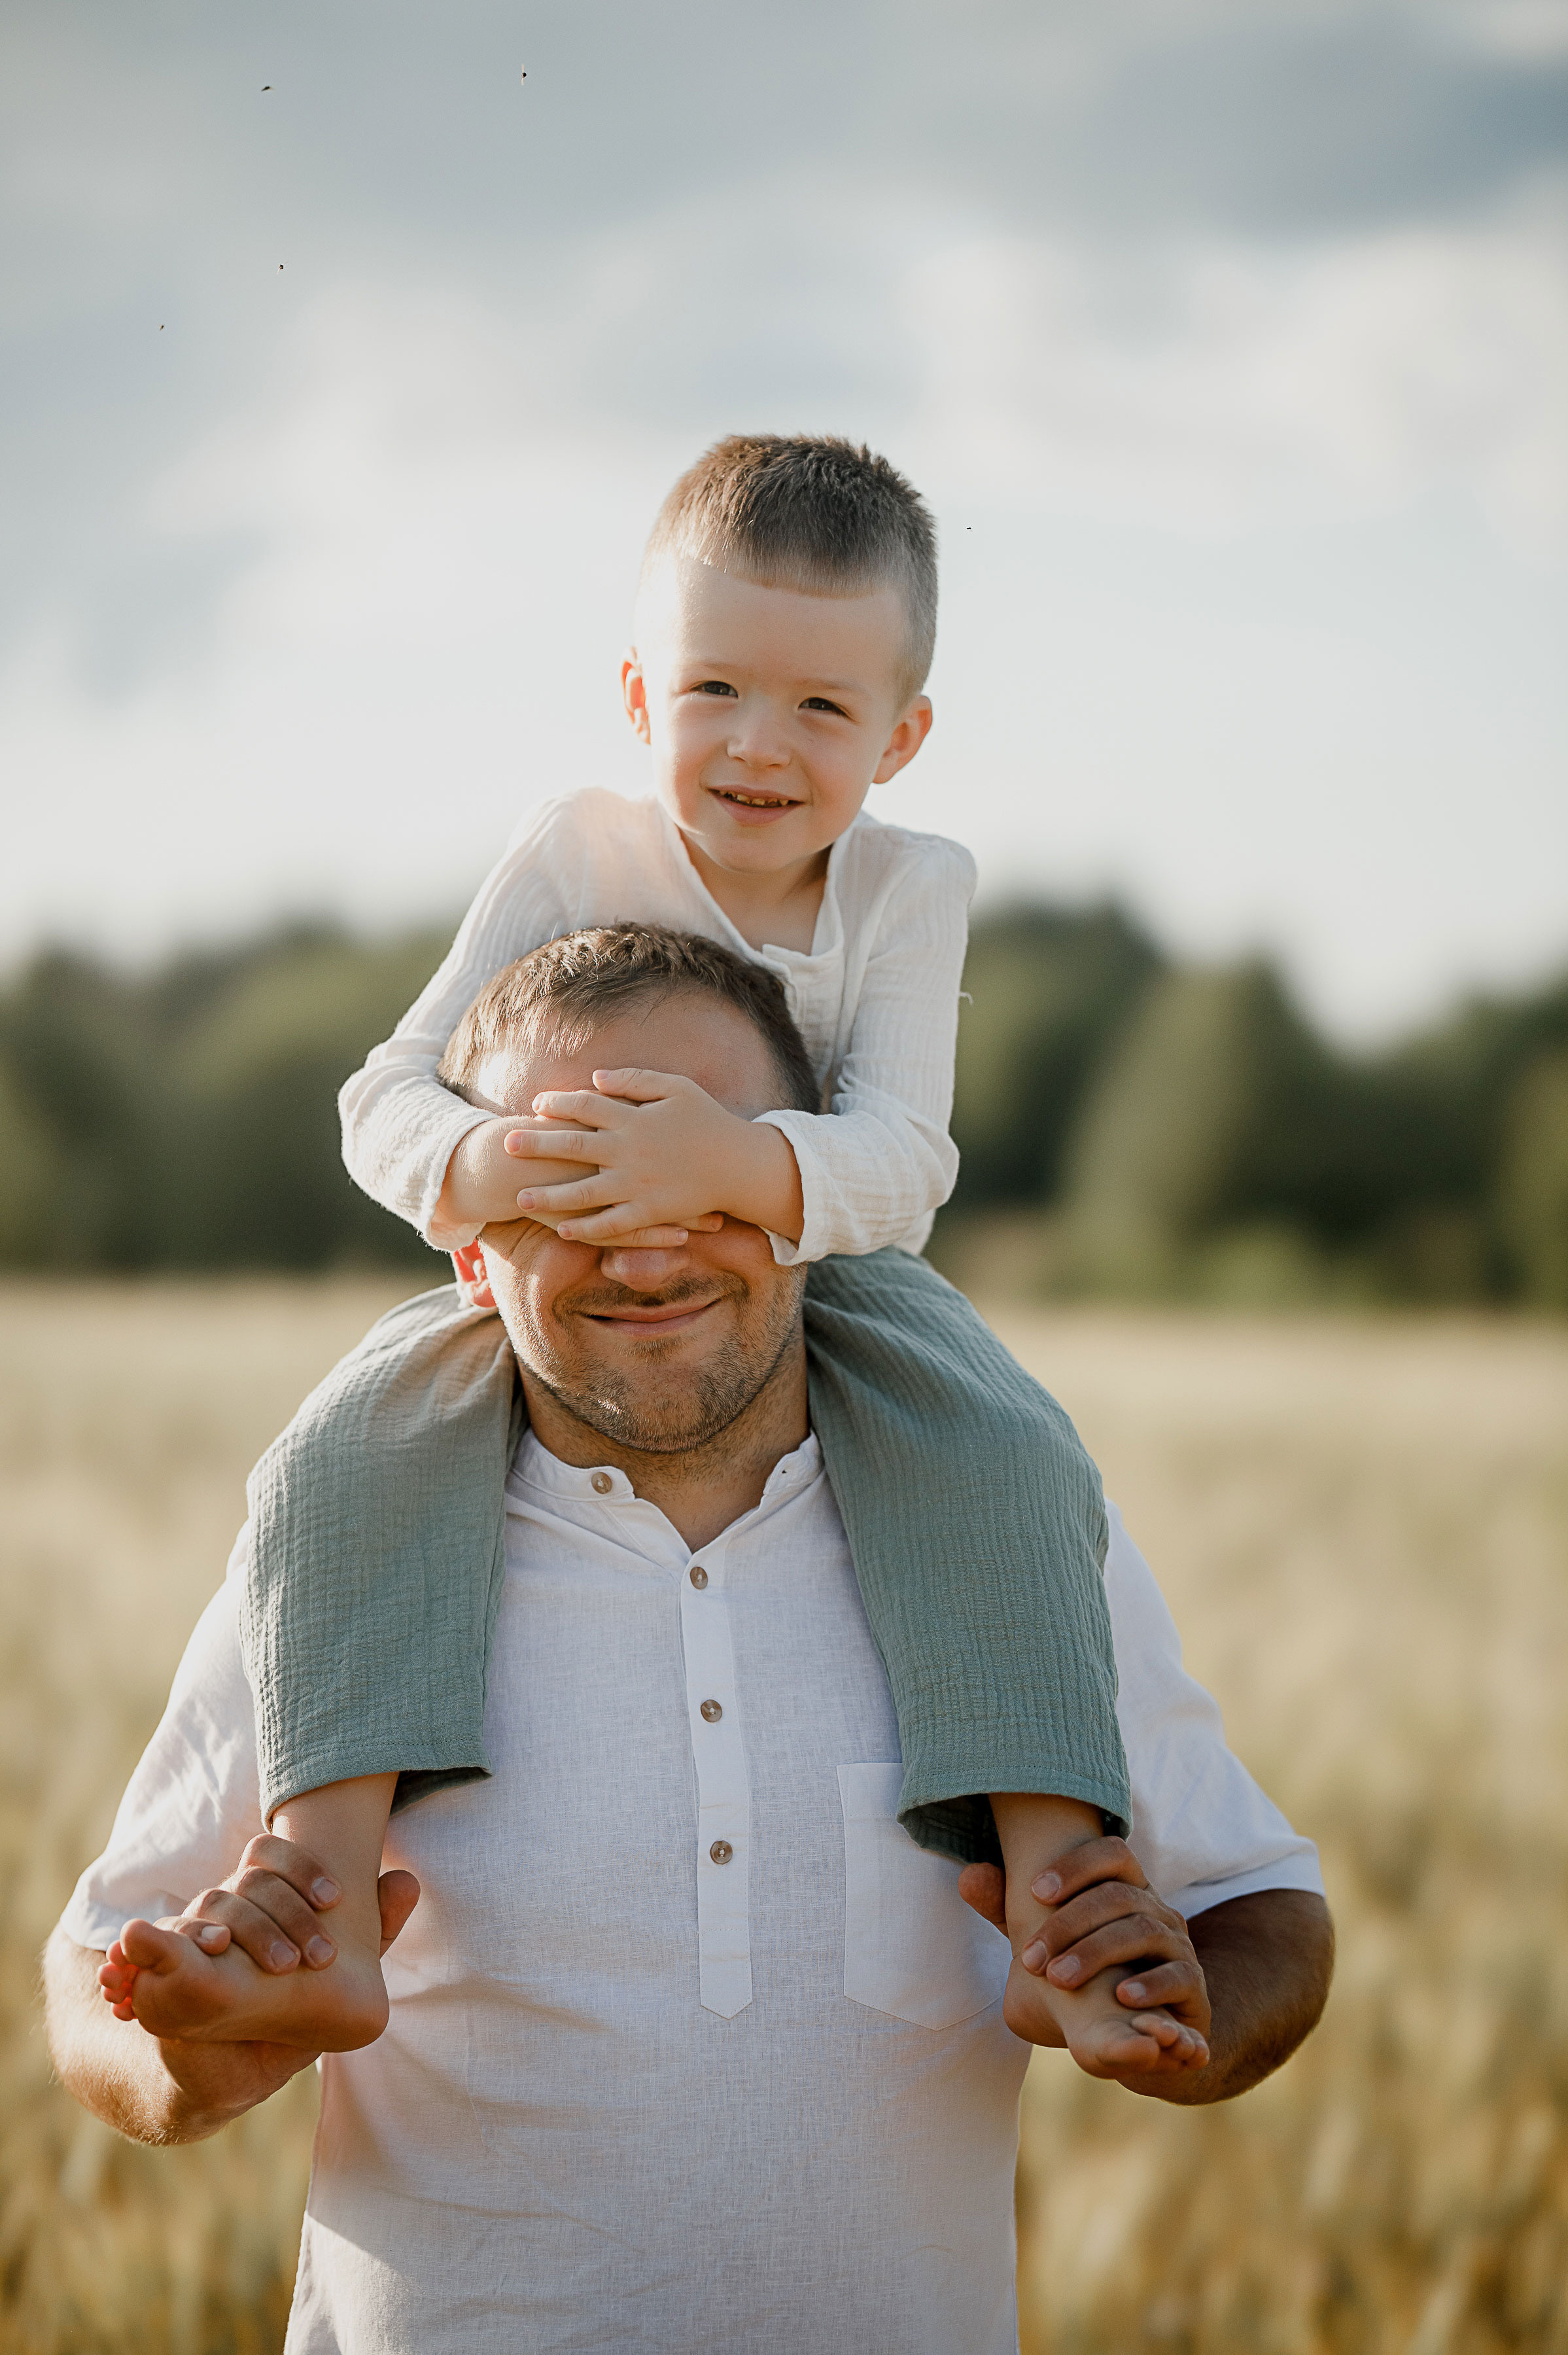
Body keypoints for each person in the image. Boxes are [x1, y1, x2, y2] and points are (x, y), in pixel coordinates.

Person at [44, 935, 1332, 2354]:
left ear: (815, 1203)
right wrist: (194, 2061)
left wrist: (1178, 2006)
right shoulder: (350, 1548)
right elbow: (96, 1967)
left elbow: (1265, 1903)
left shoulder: (1003, 1534)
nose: (646, 1245)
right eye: (567, 1186)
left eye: (710, 1178)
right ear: (470, 1244)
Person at [238, 432, 1140, 2066]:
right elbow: (388, 1093)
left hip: (821, 1269)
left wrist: (729, 1164)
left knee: (1005, 1449)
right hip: (561, 1264)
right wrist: (494, 1168)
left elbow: (906, 1163)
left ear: (903, 736)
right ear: (639, 695)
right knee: (349, 1446)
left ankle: (1064, 1897)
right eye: (714, 688)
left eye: (822, 707)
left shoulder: (910, 888)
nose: (757, 744)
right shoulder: (576, 847)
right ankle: (318, 1900)